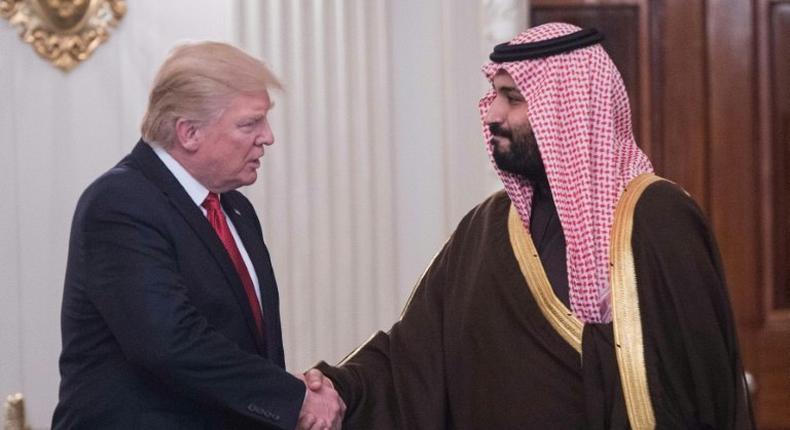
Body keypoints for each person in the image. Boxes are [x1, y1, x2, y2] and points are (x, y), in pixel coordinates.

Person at [305, 23, 754, 429]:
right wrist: (340, 389)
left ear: (568, 108)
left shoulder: (658, 219)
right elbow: (412, 357)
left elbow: (693, 382)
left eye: (513, 98)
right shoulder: (486, 228)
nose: (492, 113)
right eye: (494, 95)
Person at [52, 41, 344, 430]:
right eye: (249, 123)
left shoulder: (235, 208)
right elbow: (169, 344)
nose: (268, 137)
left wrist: (289, 394)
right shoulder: (119, 204)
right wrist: (293, 399)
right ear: (189, 133)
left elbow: (249, 349)